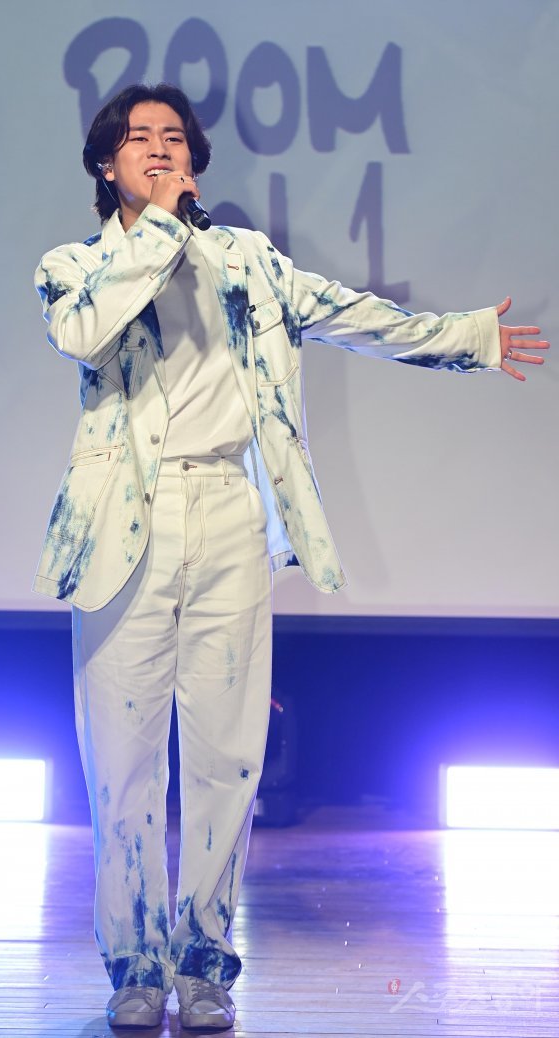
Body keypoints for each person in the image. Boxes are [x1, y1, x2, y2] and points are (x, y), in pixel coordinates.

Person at [33, 82, 548, 1031]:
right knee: (123, 768)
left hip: (229, 510)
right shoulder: (74, 266)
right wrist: (159, 227)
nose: (161, 148)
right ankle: (134, 967)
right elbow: (85, 333)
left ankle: (203, 967)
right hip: (122, 527)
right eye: (140, 138)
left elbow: (355, 314)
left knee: (228, 761)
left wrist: (466, 339)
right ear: (107, 164)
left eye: (175, 137)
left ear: (196, 159)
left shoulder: (247, 261)